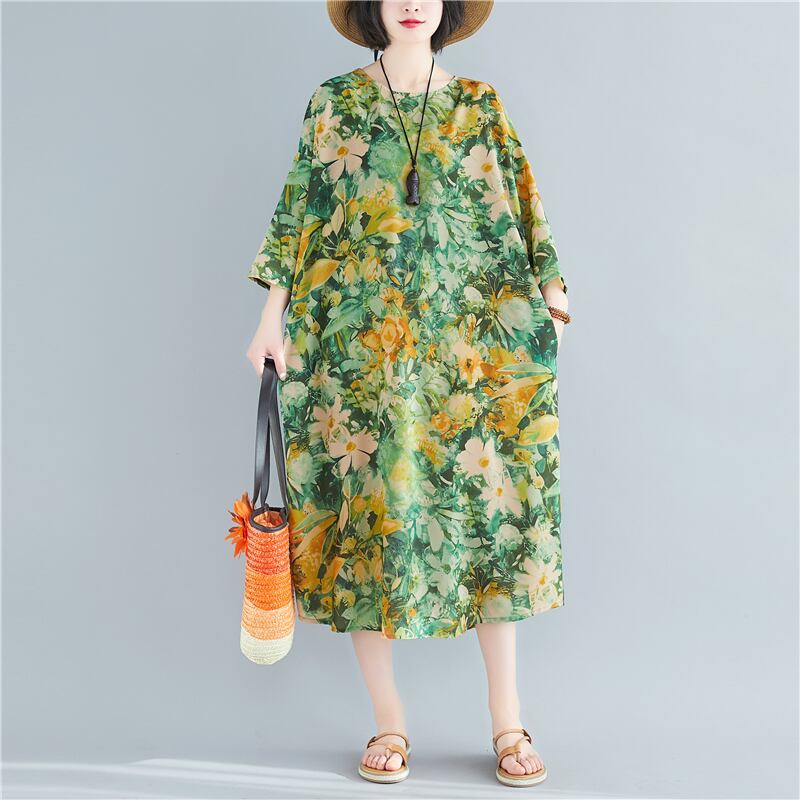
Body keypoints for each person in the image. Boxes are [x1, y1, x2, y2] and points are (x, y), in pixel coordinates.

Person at [244, 0, 571, 787]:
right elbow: (300, 214)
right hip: (360, 356)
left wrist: (554, 299)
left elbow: (520, 205)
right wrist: (269, 320)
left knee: (489, 517)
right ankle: (389, 721)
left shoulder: (481, 105)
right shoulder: (335, 103)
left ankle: (508, 721)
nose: (414, 4)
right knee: (369, 522)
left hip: (470, 357)